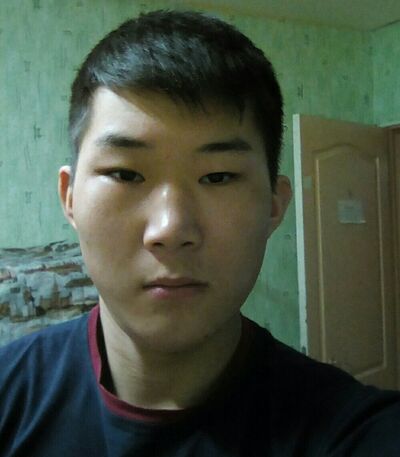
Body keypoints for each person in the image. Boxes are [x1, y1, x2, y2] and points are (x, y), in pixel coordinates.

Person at [0, 9, 399, 457]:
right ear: (70, 197)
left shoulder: (353, 430)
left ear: (274, 205)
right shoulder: (9, 394)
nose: (171, 229)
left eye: (218, 177)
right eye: (126, 174)